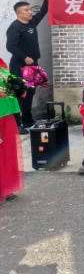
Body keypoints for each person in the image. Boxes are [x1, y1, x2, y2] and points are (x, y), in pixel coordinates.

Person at [6, 0, 49, 133]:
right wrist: (24, 57)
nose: (30, 12)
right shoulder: (15, 27)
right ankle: (17, 125)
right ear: (19, 13)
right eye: (26, 10)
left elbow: (43, 11)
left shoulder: (31, 23)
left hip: (32, 66)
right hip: (19, 66)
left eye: (30, 9)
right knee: (19, 94)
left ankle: (28, 120)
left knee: (30, 92)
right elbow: (10, 46)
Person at [0, 57, 23, 202]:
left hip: (6, 113)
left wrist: (22, 85)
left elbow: (12, 82)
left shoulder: (1, 63)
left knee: (7, 151)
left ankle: (6, 187)